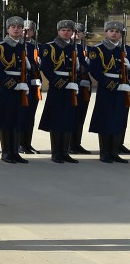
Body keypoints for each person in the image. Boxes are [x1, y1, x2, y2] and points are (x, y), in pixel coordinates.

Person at [36, 19, 80, 164]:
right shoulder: (50, 47)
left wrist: (81, 68)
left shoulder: (74, 47)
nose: (66, 32)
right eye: (63, 30)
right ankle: (56, 153)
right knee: (56, 119)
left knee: (68, 119)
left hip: (72, 86)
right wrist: (62, 84)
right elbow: (47, 68)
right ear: (58, 31)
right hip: (58, 88)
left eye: (69, 30)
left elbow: (82, 68)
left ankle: (64, 152)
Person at [86, 21, 130, 164]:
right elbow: (95, 71)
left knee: (119, 120)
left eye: (117, 32)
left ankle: (114, 152)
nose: (114, 33)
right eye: (111, 30)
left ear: (121, 35)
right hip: (107, 89)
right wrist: (113, 86)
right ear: (106, 32)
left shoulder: (127, 50)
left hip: (124, 89)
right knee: (105, 119)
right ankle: (104, 152)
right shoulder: (98, 49)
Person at [0, 16, 30, 164]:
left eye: (19, 27)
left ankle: (15, 151)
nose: (17, 29)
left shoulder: (23, 45)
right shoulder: (0, 46)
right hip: (8, 87)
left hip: (22, 86)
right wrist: (12, 84)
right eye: (13, 27)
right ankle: (6, 152)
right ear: (7, 30)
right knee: (6, 119)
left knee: (18, 119)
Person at [18, 19, 42, 154]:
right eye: (24, 30)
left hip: (34, 84)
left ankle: (27, 143)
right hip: (22, 83)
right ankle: (19, 143)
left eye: (30, 30)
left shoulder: (37, 46)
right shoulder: (18, 45)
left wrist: (39, 63)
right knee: (21, 115)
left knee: (30, 116)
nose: (27, 32)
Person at [69, 22, 92, 155]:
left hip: (84, 85)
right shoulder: (67, 47)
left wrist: (87, 67)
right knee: (71, 115)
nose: (76, 34)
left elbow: (94, 66)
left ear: (83, 34)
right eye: (74, 31)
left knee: (80, 116)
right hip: (72, 84)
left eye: (79, 32)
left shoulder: (89, 49)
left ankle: (77, 143)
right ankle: (69, 144)